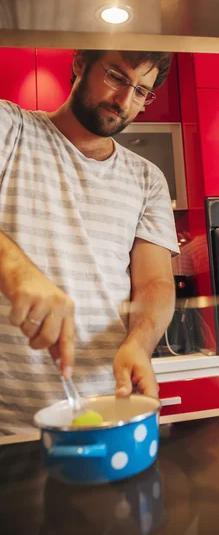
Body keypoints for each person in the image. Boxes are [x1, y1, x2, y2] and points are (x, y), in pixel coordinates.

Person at [0, 49, 179, 434]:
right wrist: (14, 268)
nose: (125, 100)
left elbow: (155, 284)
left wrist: (140, 342)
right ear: (80, 63)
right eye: (117, 76)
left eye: (141, 91)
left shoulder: (147, 178)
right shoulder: (10, 128)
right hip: (7, 423)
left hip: (105, 411)